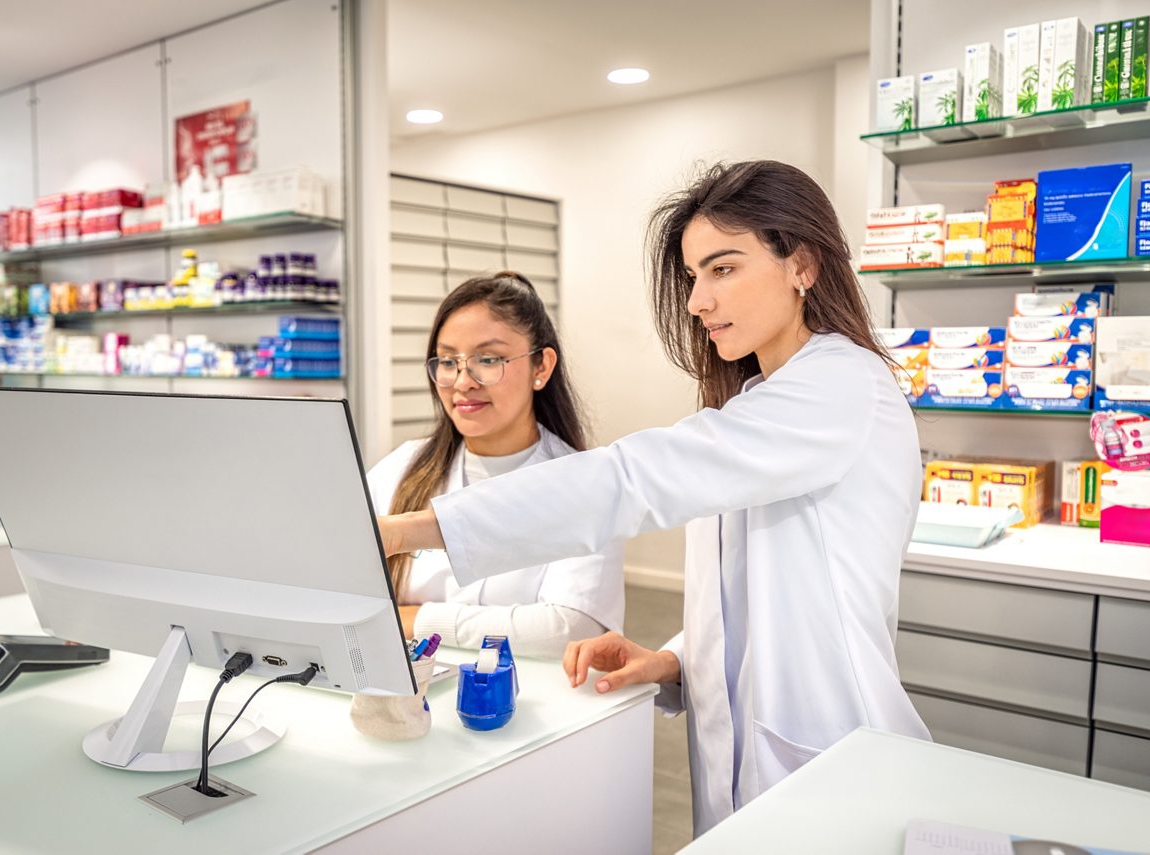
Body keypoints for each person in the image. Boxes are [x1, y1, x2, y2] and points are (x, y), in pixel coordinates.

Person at [377, 160, 931, 836]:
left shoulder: (842, 387)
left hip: (833, 758)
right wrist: (674, 658)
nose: (698, 301)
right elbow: (750, 590)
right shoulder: (759, 403)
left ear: (803, 264)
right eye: (694, 276)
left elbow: (630, 479)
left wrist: (410, 530)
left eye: (723, 269)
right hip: (750, 765)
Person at [367, 271, 623, 659]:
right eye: (448, 361)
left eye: (488, 359)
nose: (463, 382)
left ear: (541, 367)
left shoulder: (584, 485)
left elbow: (570, 628)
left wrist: (417, 619)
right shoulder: (403, 468)